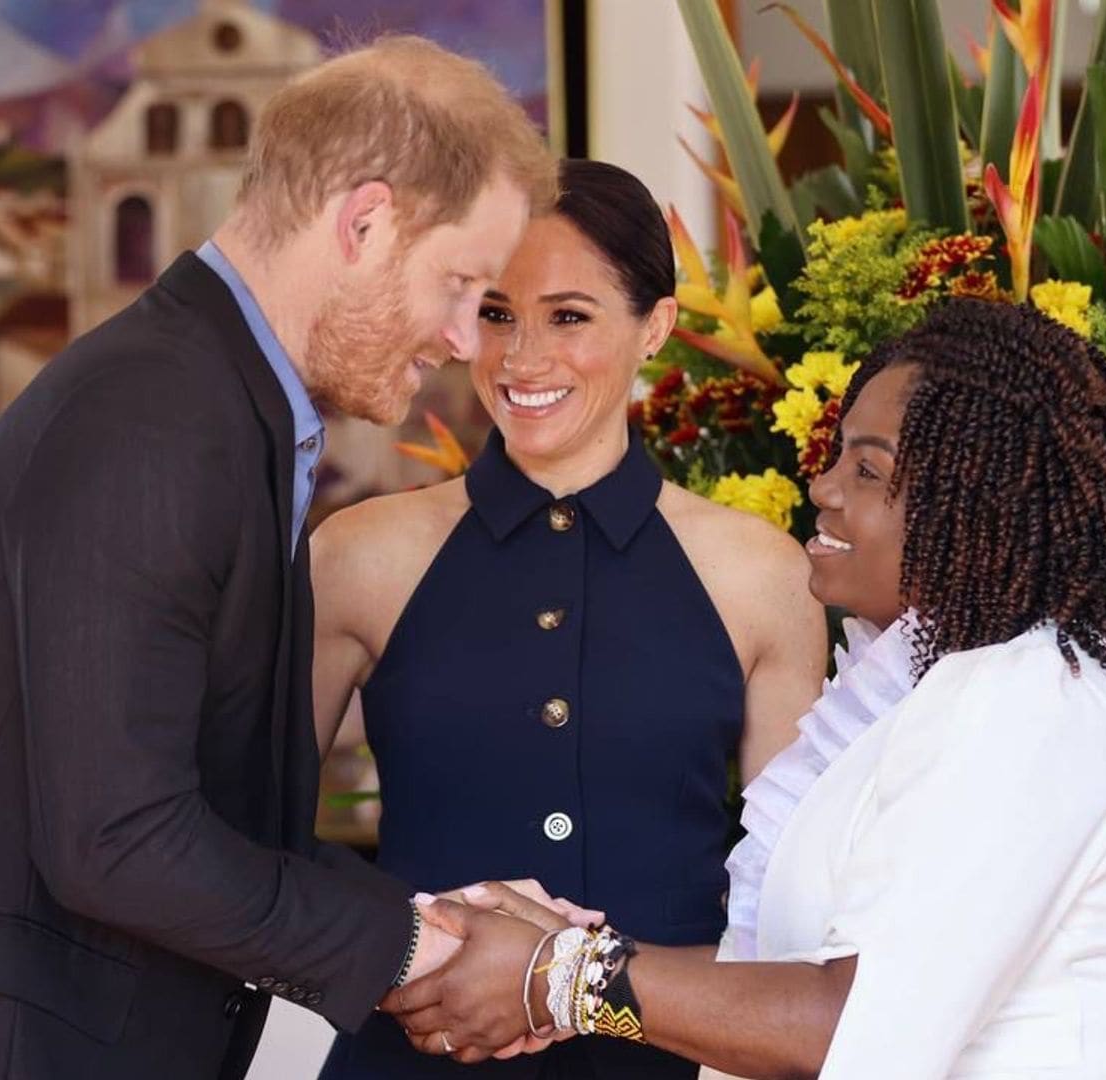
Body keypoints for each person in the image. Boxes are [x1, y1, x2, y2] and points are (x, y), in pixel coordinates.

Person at [0, 36, 558, 1080]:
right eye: (460, 284)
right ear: (364, 224)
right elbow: (118, 842)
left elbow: (185, 802)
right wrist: (412, 948)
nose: (464, 339)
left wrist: (423, 921)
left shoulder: (215, 406)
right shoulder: (155, 420)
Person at [383, 298, 1106, 1079]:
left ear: (979, 501)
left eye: (870, 472)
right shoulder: (948, 688)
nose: (824, 489)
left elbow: (845, 1027)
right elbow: (813, 978)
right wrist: (561, 956)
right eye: (839, 458)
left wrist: (563, 977)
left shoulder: (1026, 704)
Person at [311, 160, 827, 1079]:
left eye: (570, 316)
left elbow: (788, 910)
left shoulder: (762, 575)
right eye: (498, 313)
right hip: (411, 1055)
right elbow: (244, 842)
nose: (521, 359)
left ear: (655, 328)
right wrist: (403, 960)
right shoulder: (360, 556)